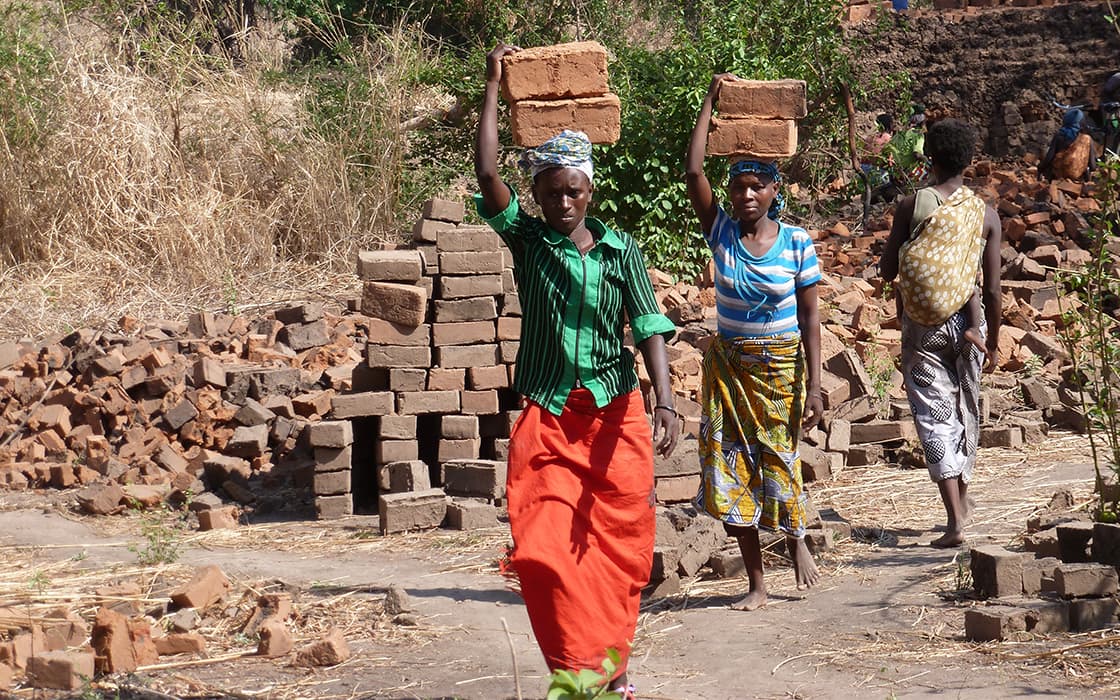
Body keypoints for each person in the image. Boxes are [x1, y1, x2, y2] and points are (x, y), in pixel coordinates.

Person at [474, 43, 680, 698]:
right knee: (544, 552)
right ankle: (575, 669)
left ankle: (612, 674)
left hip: (615, 418)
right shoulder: (529, 242)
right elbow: (486, 172)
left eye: (574, 191)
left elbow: (648, 326)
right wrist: (492, 86)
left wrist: (666, 401)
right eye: (552, 192)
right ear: (536, 194)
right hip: (548, 417)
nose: (564, 202)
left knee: (616, 552)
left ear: (591, 190)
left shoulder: (622, 250)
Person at [685, 73, 824, 612]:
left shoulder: (796, 243)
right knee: (730, 468)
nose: (746, 196)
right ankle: (757, 584)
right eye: (739, 186)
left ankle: (796, 538)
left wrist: (815, 385)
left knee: (779, 457)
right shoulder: (720, 231)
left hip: (780, 365)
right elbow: (693, 171)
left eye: (756, 187)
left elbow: (810, 318)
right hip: (730, 367)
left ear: (773, 191)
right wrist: (709, 100)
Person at [880, 118, 1002, 549]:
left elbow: (887, 269)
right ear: (969, 161)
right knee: (967, 410)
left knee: (935, 416)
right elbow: (992, 289)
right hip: (971, 326)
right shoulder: (985, 214)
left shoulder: (912, 205)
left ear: (928, 157)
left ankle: (954, 521)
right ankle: (962, 501)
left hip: (923, 329)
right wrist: (993, 339)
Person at [1039, 108, 1097, 181]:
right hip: (1077, 177)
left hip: (1058, 175)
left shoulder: (1059, 136)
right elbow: (1093, 166)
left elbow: (1049, 158)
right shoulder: (1087, 139)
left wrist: (1040, 168)